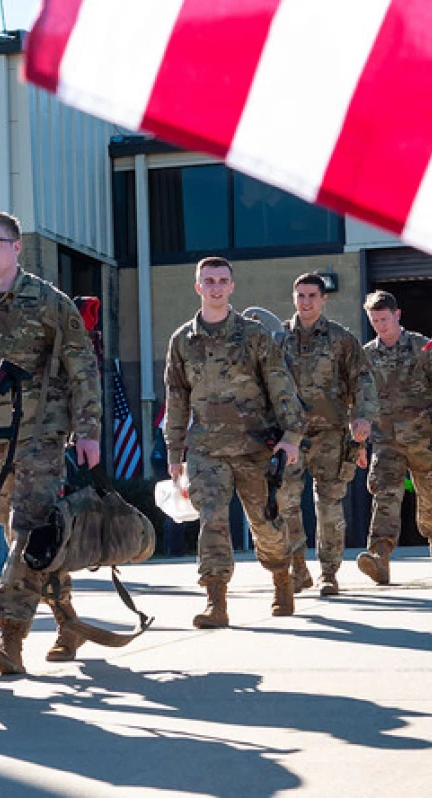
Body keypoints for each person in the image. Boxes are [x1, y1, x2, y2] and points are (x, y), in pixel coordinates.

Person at [0, 211, 102, 674]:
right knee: (28, 536)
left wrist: (89, 431)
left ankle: (10, 637)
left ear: (17, 247)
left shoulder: (48, 301)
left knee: (29, 529)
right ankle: (67, 621)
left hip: (42, 434)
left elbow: (82, 367)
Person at [164, 257, 304, 626]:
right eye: (208, 281)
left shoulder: (253, 335)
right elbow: (176, 397)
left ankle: (281, 577)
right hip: (206, 449)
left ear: (231, 287)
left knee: (265, 523)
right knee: (211, 520)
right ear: (198, 287)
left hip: (255, 447)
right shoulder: (183, 340)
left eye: (222, 280)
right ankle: (216, 600)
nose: (215, 287)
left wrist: (291, 436)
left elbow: (281, 385)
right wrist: (174, 452)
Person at [278, 273, 377, 596]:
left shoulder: (340, 339)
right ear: (294, 299)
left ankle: (328, 573)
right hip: (291, 436)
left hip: (331, 434)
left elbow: (362, 379)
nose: (305, 302)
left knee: (330, 505)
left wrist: (362, 417)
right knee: (285, 503)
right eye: (300, 296)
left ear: (324, 299)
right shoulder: (278, 339)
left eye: (311, 296)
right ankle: (297, 568)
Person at [359, 290, 432, 583]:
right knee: (385, 495)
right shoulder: (366, 355)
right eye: (374, 320)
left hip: (422, 438)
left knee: (429, 497)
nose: (380, 325)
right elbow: (360, 399)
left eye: (384, 319)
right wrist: (359, 442)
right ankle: (380, 557)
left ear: (397, 315)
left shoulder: (422, 347)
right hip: (385, 441)